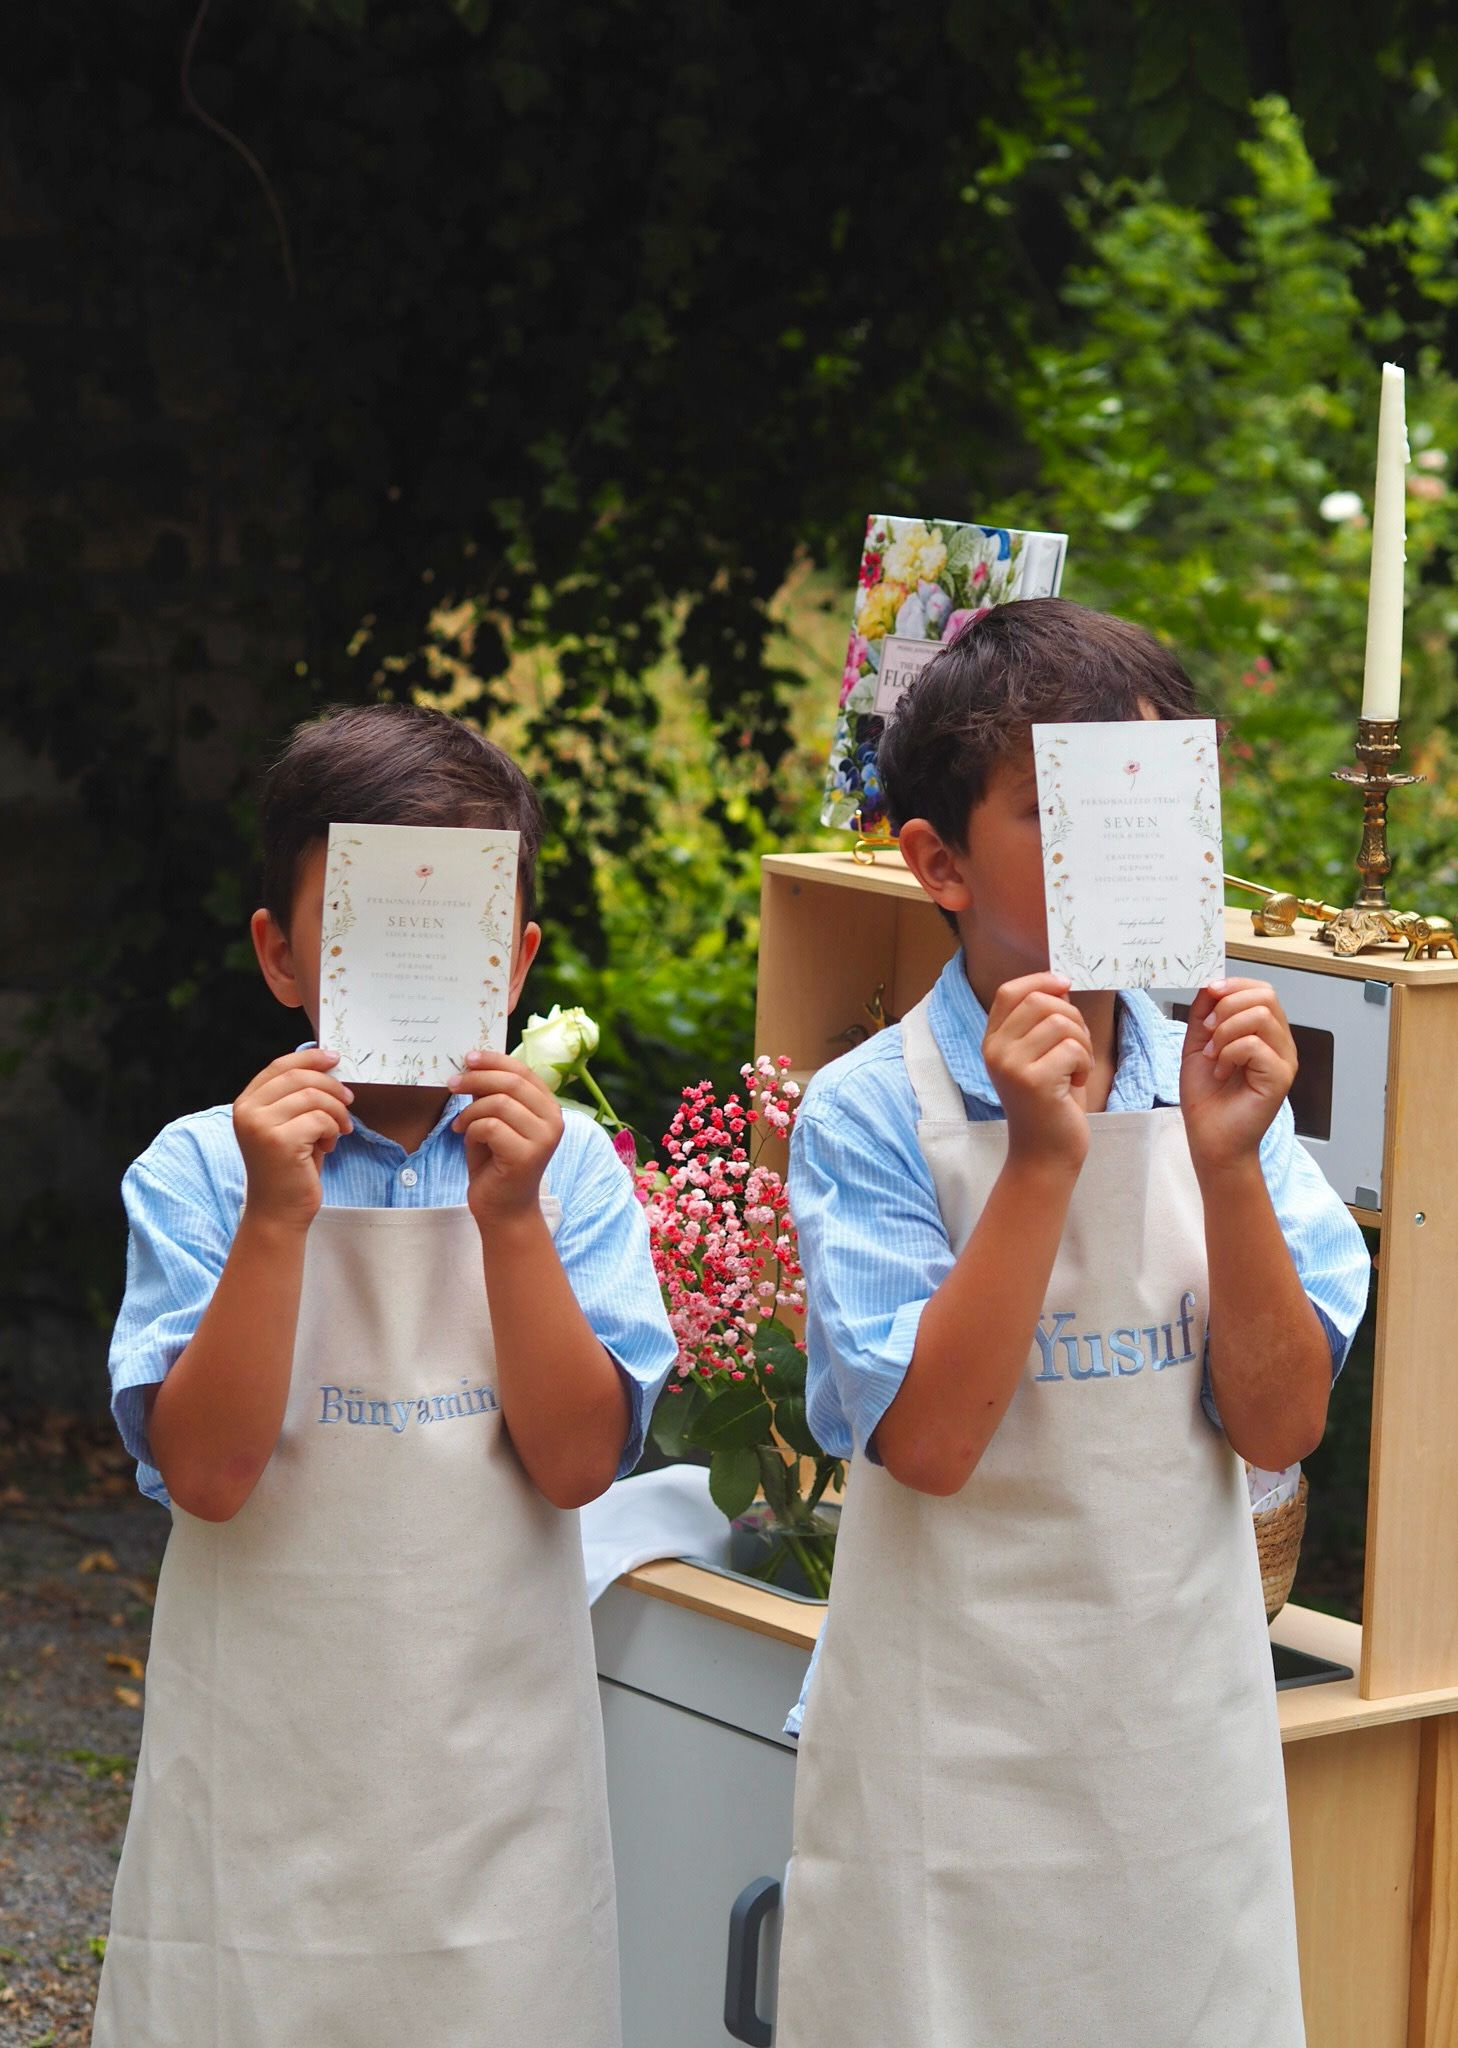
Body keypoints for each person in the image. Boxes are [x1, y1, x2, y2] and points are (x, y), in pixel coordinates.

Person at [772, 600, 1370, 2047]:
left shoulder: (1222, 1090)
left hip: (1178, 1748)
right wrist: (1042, 1161)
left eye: (1151, 809)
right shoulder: (868, 1112)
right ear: (938, 864)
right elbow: (923, 1443)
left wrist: (1226, 1163)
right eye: (1064, 815)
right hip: (947, 1761)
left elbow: (1284, 1423)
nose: (1123, 854)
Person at [93, 703, 674, 2048]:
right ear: (280, 955)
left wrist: (513, 1218)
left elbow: (582, 1462)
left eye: (459, 922)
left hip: (495, 1791)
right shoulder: (200, 1172)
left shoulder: (569, 1171)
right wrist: (275, 1217)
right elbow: (210, 1475)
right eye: (369, 920)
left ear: (516, 957)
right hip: (265, 1781)